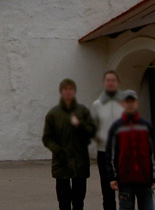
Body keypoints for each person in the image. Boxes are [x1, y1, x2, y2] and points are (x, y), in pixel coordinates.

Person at [43, 78, 96, 210]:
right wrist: (58, 150)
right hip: (61, 162)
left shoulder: (82, 111)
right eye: (65, 89)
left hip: (80, 162)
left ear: (74, 91)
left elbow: (91, 132)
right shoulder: (53, 114)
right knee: (63, 200)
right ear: (61, 91)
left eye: (70, 89)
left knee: (79, 200)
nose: (68, 92)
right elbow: (47, 137)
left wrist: (80, 125)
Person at [106, 90, 155, 210]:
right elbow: (110, 154)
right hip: (125, 179)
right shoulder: (116, 127)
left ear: (137, 103)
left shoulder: (146, 126)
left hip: (144, 179)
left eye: (132, 102)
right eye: (127, 102)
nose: (130, 104)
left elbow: (154, 151)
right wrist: (112, 177)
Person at [92, 70, 123, 210]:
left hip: (122, 150)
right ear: (104, 83)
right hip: (104, 151)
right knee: (107, 188)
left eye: (113, 80)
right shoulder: (97, 104)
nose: (110, 83)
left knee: (125, 187)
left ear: (117, 83)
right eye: (108, 80)